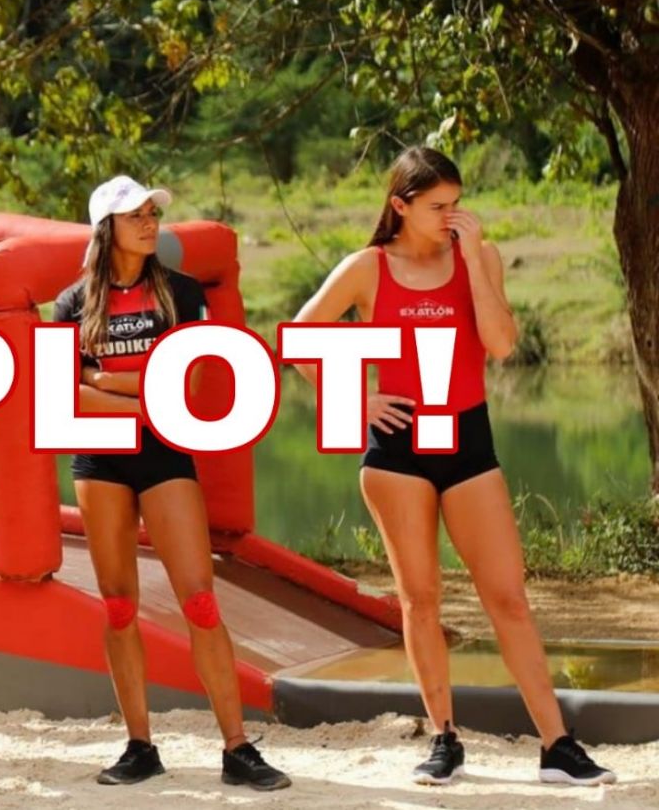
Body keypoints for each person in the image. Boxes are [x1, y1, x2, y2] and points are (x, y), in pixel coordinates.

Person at [292, 146, 616, 786]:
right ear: (400, 206)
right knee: (421, 600)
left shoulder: (478, 257)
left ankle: (557, 745)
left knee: (508, 598)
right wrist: (354, 400)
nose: (452, 215)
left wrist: (471, 261)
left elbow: (501, 343)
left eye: (457, 204)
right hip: (398, 450)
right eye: (438, 206)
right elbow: (301, 337)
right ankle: (444, 738)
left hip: (468, 442)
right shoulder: (367, 267)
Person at [52, 176, 290, 791]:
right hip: (99, 460)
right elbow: (64, 394)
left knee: (199, 601)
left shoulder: (181, 292)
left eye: (152, 213)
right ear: (106, 228)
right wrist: (140, 397)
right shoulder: (72, 303)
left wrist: (105, 382)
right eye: (134, 215)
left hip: (164, 455)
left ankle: (237, 748)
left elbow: (183, 386)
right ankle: (140, 746)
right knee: (118, 605)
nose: (149, 223)